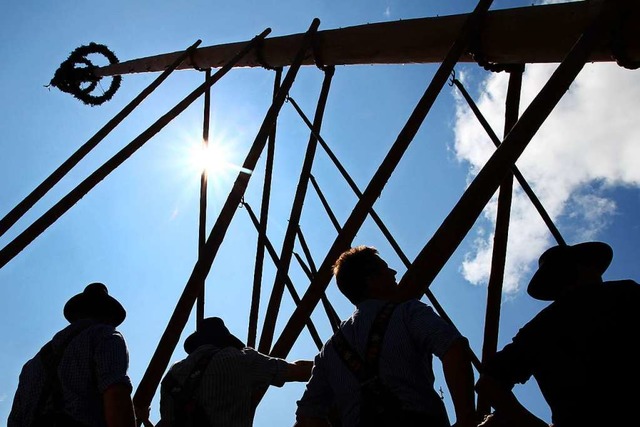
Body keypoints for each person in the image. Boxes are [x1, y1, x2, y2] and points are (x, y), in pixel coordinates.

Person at [295, 245, 477, 427]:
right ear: (371, 280)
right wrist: (466, 419)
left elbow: (307, 416)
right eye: (385, 268)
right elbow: (454, 349)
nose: (394, 272)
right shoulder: (408, 312)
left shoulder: (330, 351)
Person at [475, 241, 640, 427]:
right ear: (579, 268)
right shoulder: (625, 293)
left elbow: (488, 383)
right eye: (589, 264)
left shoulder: (539, 329)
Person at [8, 282, 137, 427]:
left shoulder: (32, 365)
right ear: (108, 316)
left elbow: (14, 421)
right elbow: (116, 396)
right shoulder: (106, 336)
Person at [158, 316, 313, 427]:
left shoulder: (171, 376)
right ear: (225, 341)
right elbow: (296, 371)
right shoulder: (240, 358)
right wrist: (328, 362)